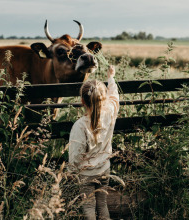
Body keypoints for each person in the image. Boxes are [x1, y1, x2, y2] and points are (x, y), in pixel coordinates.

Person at [68, 65, 119, 220]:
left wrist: (71, 172)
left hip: (86, 174)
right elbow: (115, 97)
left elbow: (76, 155)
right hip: (104, 170)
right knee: (102, 204)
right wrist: (111, 77)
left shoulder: (80, 125)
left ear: (82, 101)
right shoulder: (110, 113)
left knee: (88, 206)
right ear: (103, 99)